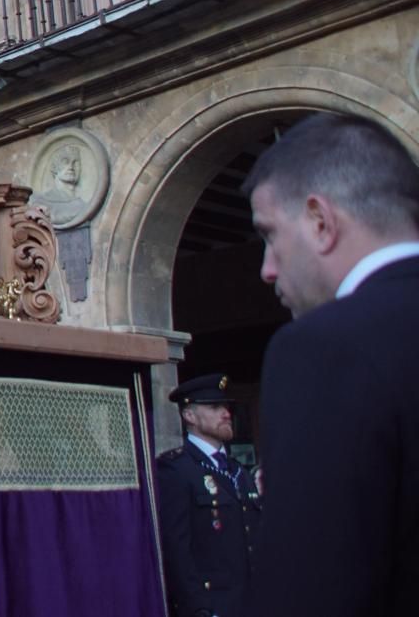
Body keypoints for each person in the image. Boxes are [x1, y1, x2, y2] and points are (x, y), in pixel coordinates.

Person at [242, 112, 419, 616]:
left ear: (320, 221)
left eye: (270, 234)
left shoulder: (324, 349)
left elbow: (309, 592)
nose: (267, 269)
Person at [155, 373, 262, 616]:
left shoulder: (238, 471)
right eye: (215, 407)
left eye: (226, 407)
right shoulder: (176, 469)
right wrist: (198, 607)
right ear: (189, 415)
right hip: (214, 606)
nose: (226, 413)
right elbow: (176, 548)